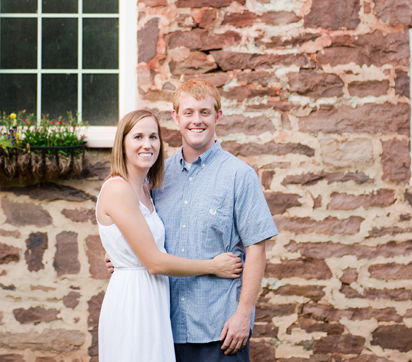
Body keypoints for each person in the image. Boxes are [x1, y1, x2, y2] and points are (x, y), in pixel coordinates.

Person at [96, 109, 244, 362]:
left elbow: (134, 240)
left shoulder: (146, 189)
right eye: (138, 137)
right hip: (134, 300)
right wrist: (213, 266)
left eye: (153, 137)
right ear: (122, 145)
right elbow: (154, 262)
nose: (147, 145)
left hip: (154, 299)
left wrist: (119, 254)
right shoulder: (119, 189)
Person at [156, 79, 277, 361]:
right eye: (188, 112)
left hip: (219, 330)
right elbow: (141, 232)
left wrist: (243, 315)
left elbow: (256, 250)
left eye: (204, 112)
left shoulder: (239, 175)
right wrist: (120, 257)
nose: (196, 121)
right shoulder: (159, 177)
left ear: (217, 116)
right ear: (175, 117)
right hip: (164, 327)